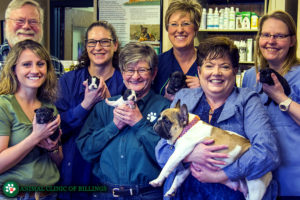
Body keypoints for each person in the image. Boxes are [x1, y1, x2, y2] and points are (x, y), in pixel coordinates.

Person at [155, 37, 280, 200]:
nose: (216, 73)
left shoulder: (247, 100)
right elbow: (160, 151)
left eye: (225, 66)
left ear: (235, 70)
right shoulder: (184, 97)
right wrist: (190, 155)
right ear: (199, 71)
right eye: (209, 66)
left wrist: (223, 174)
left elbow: (267, 152)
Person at [76, 42, 170, 200]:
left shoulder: (165, 108)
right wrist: (113, 127)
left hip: (148, 195)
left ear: (153, 74)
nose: (135, 76)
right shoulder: (105, 107)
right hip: (106, 195)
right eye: (130, 70)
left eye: (142, 70)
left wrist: (139, 123)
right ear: (121, 72)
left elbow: (169, 156)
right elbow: (85, 150)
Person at [55, 21, 126, 200]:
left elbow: (128, 131)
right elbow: (57, 127)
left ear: (115, 45)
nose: (98, 47)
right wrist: (85, 105)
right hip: (74, 169)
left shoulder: (125, 82)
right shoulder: (68, 81)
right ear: (86, 47)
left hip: (110, 170)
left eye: (104, 41)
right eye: (92, 42)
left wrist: (109, 102)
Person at [242, 11, 300, 197]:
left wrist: (281, 98)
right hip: (258, 178)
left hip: (293, 178)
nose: (271, 41)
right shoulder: (250, 76)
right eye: (266, 35)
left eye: (279, 36)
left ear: (292, 41)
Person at [0, 39, 62, 200]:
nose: (35, 70)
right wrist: (36, 137)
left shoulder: (49, 107)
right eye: (26, 64)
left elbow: (58, 161)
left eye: (40, 64)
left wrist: (52, 148)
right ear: (14, 69)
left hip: (48, 195)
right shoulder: (3, 106)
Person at [0, 0, 64, 78]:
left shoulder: (54, 64)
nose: (26, 26)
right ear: (6, 24)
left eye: (33, 21)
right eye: (20, 21)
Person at [153, 0, 202, 100]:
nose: (179, 30)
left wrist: (206, 88)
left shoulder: (209, 62)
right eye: (174, 24)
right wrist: (166, 98)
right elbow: (147, 103)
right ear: (167, 28)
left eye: (186, 24)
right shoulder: (157, 63)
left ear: (196, 28)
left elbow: (229, 96)